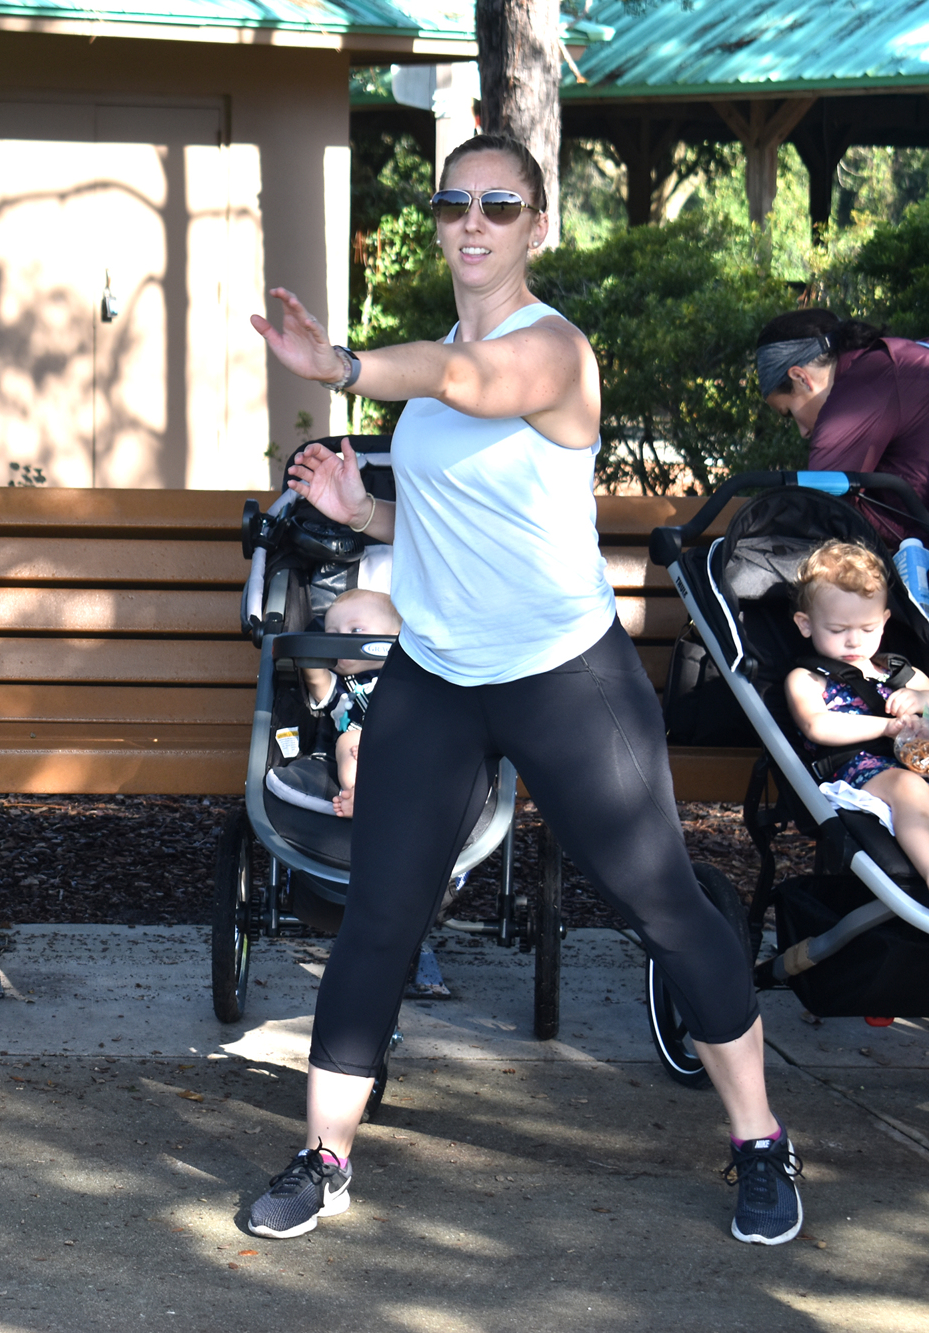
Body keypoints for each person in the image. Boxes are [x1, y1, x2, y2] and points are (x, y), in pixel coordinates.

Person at [239, 132, 801, 1246]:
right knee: (379, 913)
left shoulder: (551, 353)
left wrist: (341, 368)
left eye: (499, 206)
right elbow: (457, 515)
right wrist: (363, 519)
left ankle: (759, 1140)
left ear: (535, 227)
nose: (472, 224)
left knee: (661, 902)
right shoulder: (442, 360)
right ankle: (324, 1154)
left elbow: (470, 382)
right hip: (439, 675)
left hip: (562, 676)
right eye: (455, 205)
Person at [783, 540, 929, 869]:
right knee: (907, 787)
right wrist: (887, 726)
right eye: (838, 629)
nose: (854, 640)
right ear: (805, 624)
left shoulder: (898, 671)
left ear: (885, 619)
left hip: (917, 761)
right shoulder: (808, 678)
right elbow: (817, 725)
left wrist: (920, 700)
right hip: (859, 774)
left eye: (868, 628)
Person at [757, 309, 929, 544]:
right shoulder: (909, 356)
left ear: (800, 378)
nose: (804, 432)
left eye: (789, 412)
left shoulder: (867, 383)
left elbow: (818, 512)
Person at [299, 589, 400, 818]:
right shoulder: (341, 687)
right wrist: (311, 650)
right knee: (349, 741)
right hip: (359, 751)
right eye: (332, 634)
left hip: (404, 747)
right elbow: (316, 679)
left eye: (355, 630)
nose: (342, 640)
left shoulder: (408, 676)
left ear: (396, 636)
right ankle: (359, 794)